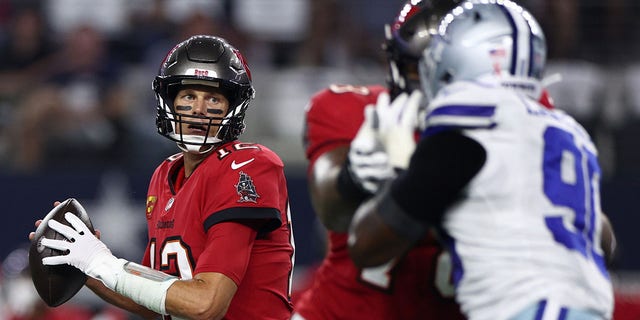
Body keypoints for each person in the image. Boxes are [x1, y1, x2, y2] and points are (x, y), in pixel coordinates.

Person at [348, 1, 615, 319]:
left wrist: (397, 170)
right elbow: (606, 243)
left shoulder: (468, 124)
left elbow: (368, 246)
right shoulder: (567, 132)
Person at [29, 35, 295, 320]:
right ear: (170, 101)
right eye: (189, 96)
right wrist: (87, 268)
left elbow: (206, 304)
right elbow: (153, 299)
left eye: (213, 98)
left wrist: (104, 265)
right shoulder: (164, 174)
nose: (199, 109)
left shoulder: (247, 165)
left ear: (233, 107)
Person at [294, 1, 465, 319]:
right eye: (420, 69)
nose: (434, 86)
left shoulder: (519, 123)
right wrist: (351, 177)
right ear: (397, 63)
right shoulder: (360, 112)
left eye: (451, 71)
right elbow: (331, 207)